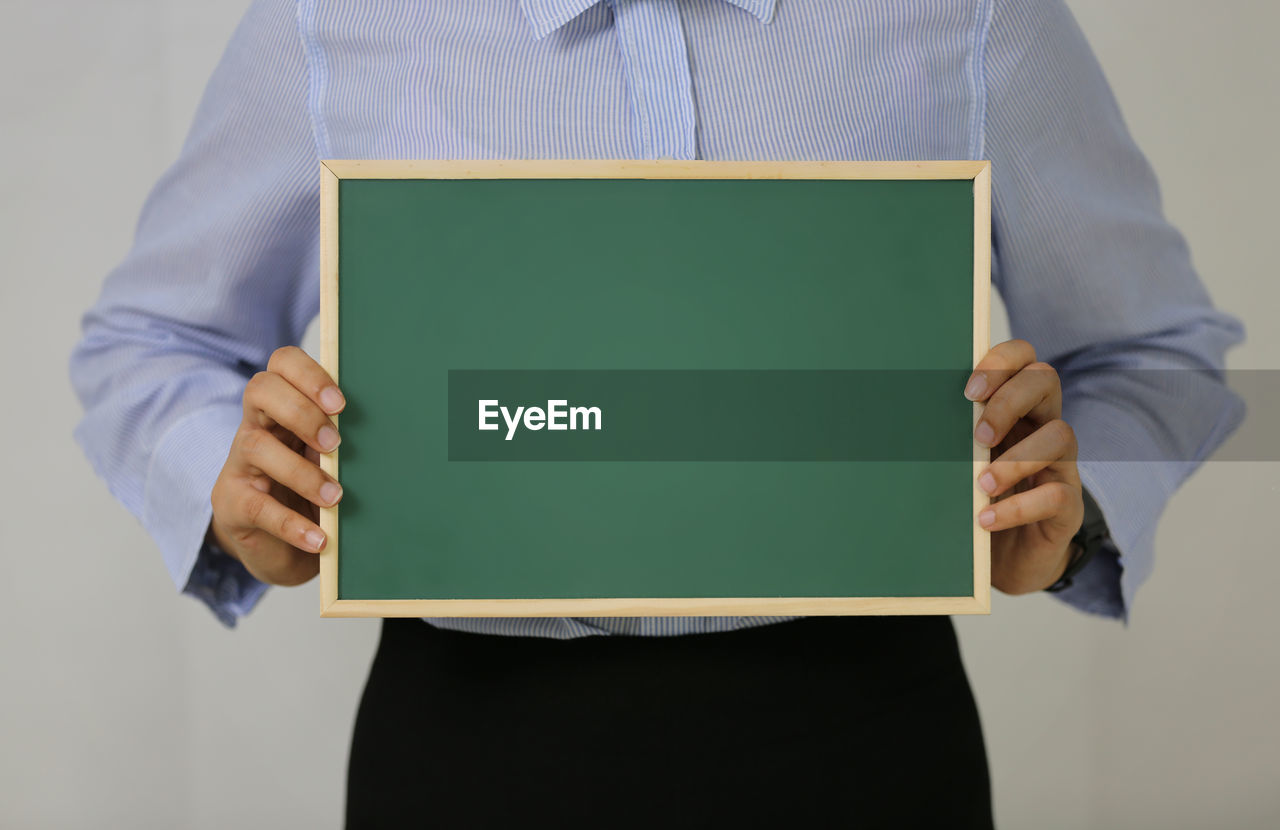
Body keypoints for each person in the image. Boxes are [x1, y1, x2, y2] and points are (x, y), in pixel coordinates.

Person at [69, 0, 1244, 825]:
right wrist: (238, 487)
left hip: (861, 740)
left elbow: (1158, 349)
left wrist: (1070, 504)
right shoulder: (331, 20)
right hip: (467, 752)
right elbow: (148, 343)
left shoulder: (972, 13)